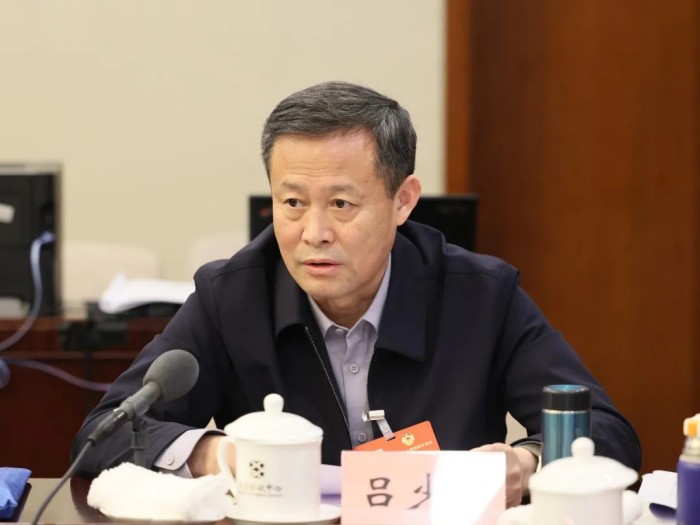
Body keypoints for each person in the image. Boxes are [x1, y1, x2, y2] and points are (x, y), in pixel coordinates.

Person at [72, 80, 641, 507]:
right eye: (292, 202)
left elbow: (609, 434)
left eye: (341, 204)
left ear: (403, 200)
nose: (313, 232)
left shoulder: (481, 295)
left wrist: (526, 462)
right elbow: (104, 436)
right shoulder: (232, 295)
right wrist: (218, 454)